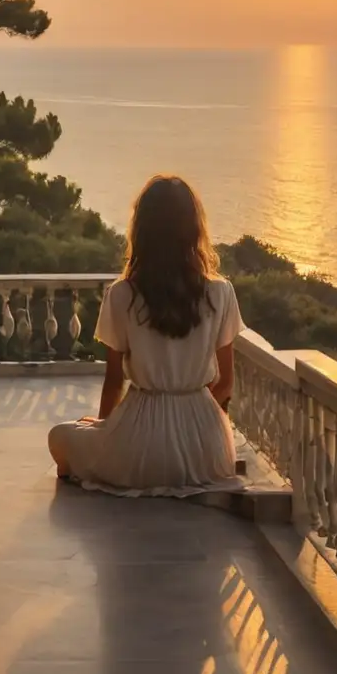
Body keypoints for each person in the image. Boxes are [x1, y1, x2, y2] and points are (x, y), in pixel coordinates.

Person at [48, 174, 244, 497]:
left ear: (142, 229)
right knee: (83, 434)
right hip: (208, 454)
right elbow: (225, 384)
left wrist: (105, 430)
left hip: (140, 449)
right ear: (194, 227)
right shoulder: (220, 293)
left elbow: (114, 383)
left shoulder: (123, 294)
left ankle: (92, 456)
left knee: (60, 435)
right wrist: (193, 428)